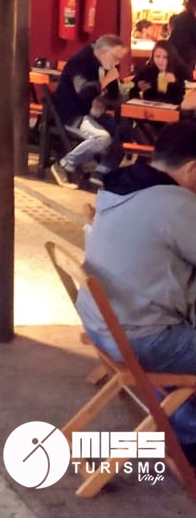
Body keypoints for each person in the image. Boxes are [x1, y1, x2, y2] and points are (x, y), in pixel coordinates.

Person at [78, 121, 196, 463]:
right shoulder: (174, 202)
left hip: (104, 326)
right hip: (139, 339)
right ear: (192, 169)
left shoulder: (123, 186)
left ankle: (185, 427)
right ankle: (189, 436)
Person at [50, 33, 129, 189]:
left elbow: (115, 96)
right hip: (72, 113)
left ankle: (101, 172)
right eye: (116, 58)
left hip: (94, 113)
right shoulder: (79, 62)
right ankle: (64, 164)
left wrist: (103, 103)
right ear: (104, 52)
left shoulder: (108, 65)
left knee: (124, 131)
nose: (117, 62)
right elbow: (83, 91)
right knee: (102, 137)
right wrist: (106, 81)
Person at [133, 39, 189, 106]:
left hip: (172, 108)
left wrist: (175, 82)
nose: (160, 60)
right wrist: (138, 85)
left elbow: (182, 99)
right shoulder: (149, 69)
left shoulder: (179, 70)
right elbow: (132, 86)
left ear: (171, 57)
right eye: (157, 56)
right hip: (150, 108)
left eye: (165, 57)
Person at [169, 0, 196, 74]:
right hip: (185, 57)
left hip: (176, 54)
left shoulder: (181, 17)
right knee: (184, 76)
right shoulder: (191, 19)